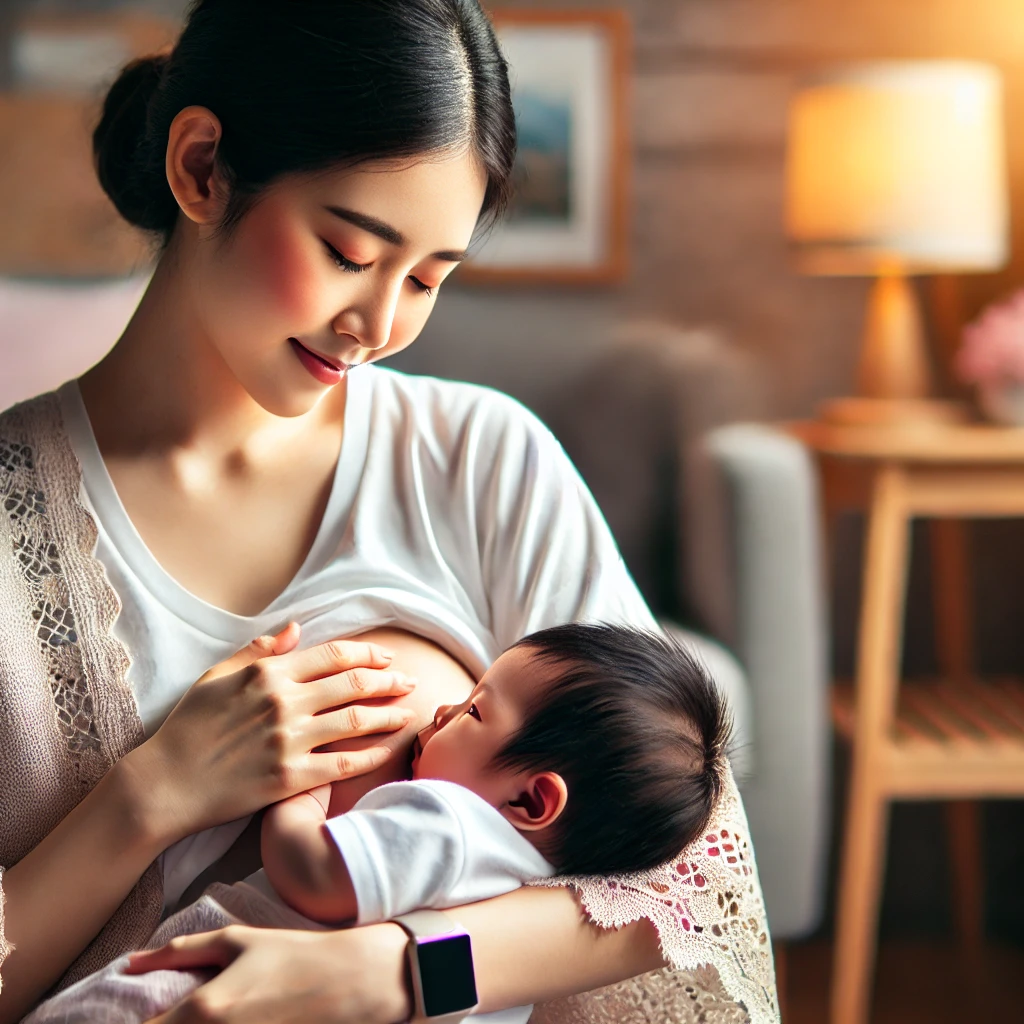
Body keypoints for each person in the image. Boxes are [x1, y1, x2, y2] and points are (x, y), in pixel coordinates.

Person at [0, 2, 776, 1023]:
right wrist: (152, 795)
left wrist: (389, 969)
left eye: (426, 278)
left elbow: (688, 884)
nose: (378, 325)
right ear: (200, 168)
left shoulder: (483, 465)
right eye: (349, 250)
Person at [21, 623, 733, 1024]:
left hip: (210, 985)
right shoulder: (531, 875)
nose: (441, 711)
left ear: (532, 801)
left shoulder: (451, 824)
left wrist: (301, 794)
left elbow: (318, 877)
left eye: (473, 711)